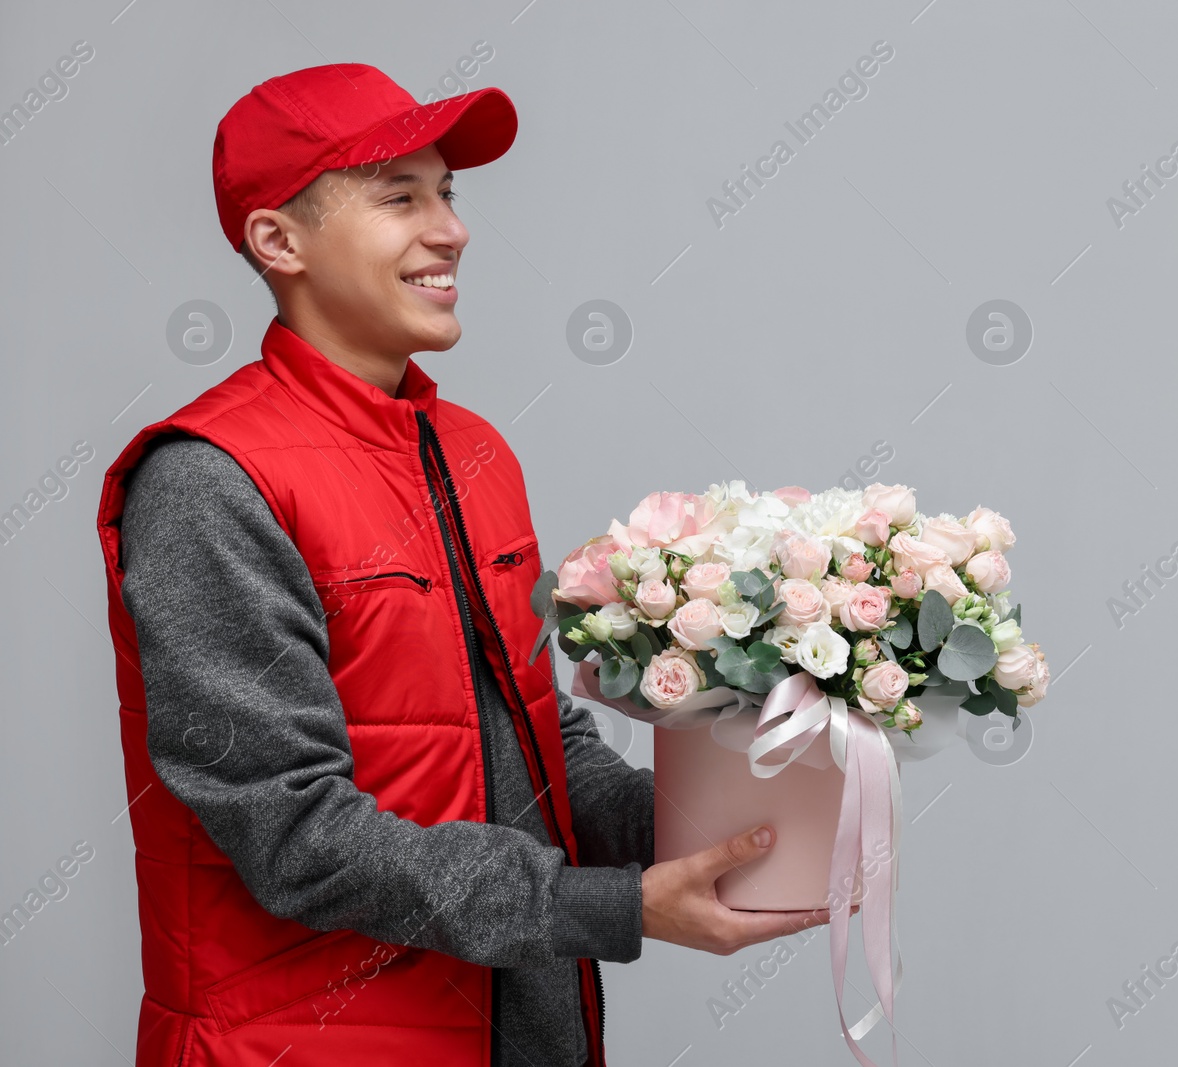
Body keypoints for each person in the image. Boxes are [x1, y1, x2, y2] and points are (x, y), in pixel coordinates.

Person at [95, 63, 835, 1067]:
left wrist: (736, 817)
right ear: (279, 240)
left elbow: (533, 743)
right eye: (400, 196)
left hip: (513, 1028)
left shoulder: (474, 452)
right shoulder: (207, 482)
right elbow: (294, 829)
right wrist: (611, 905)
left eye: (447, 193)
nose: (451, 229)